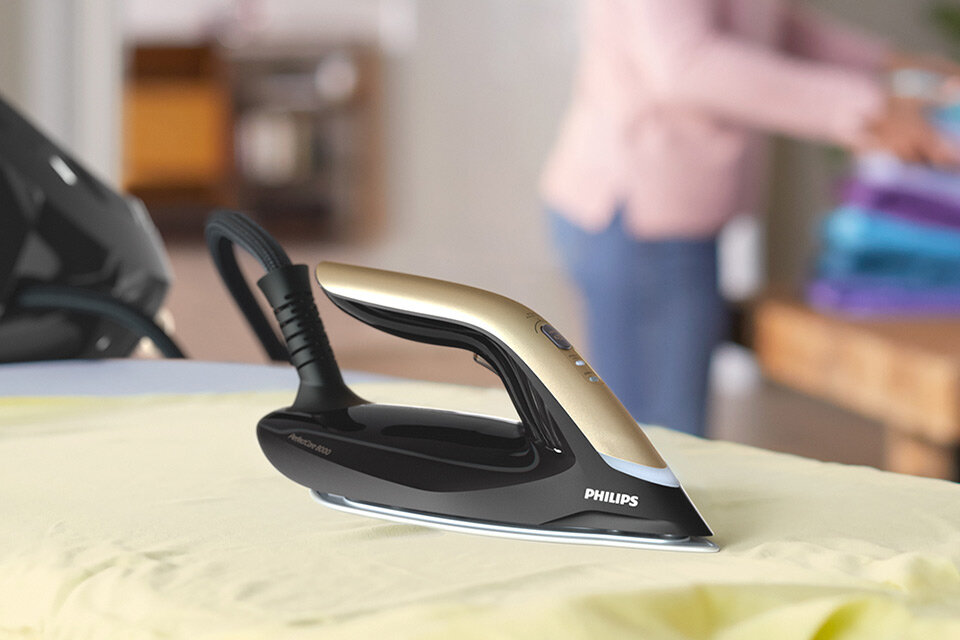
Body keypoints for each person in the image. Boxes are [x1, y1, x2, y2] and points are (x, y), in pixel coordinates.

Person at [541, 0, 960, 437]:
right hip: (639, 211)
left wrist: (889, 65)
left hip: (669, 215)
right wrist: (868, 108)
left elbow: (767, 24)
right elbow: (686, 63)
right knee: (658, 443)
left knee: (661, 436)